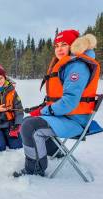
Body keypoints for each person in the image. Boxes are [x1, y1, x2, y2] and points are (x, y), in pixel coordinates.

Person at [13, 30, 101, 177]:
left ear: (74, 46)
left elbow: (69, 102)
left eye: (64, 44)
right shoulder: (68, 64)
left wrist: (45, 111)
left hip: (75, 121)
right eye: (57, 45)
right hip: (66, 116)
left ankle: (34, 169)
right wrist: (43, 109)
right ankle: (56, 152)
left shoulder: (77, 67)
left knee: (30, 126)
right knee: (28, 121)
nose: (59, 48)